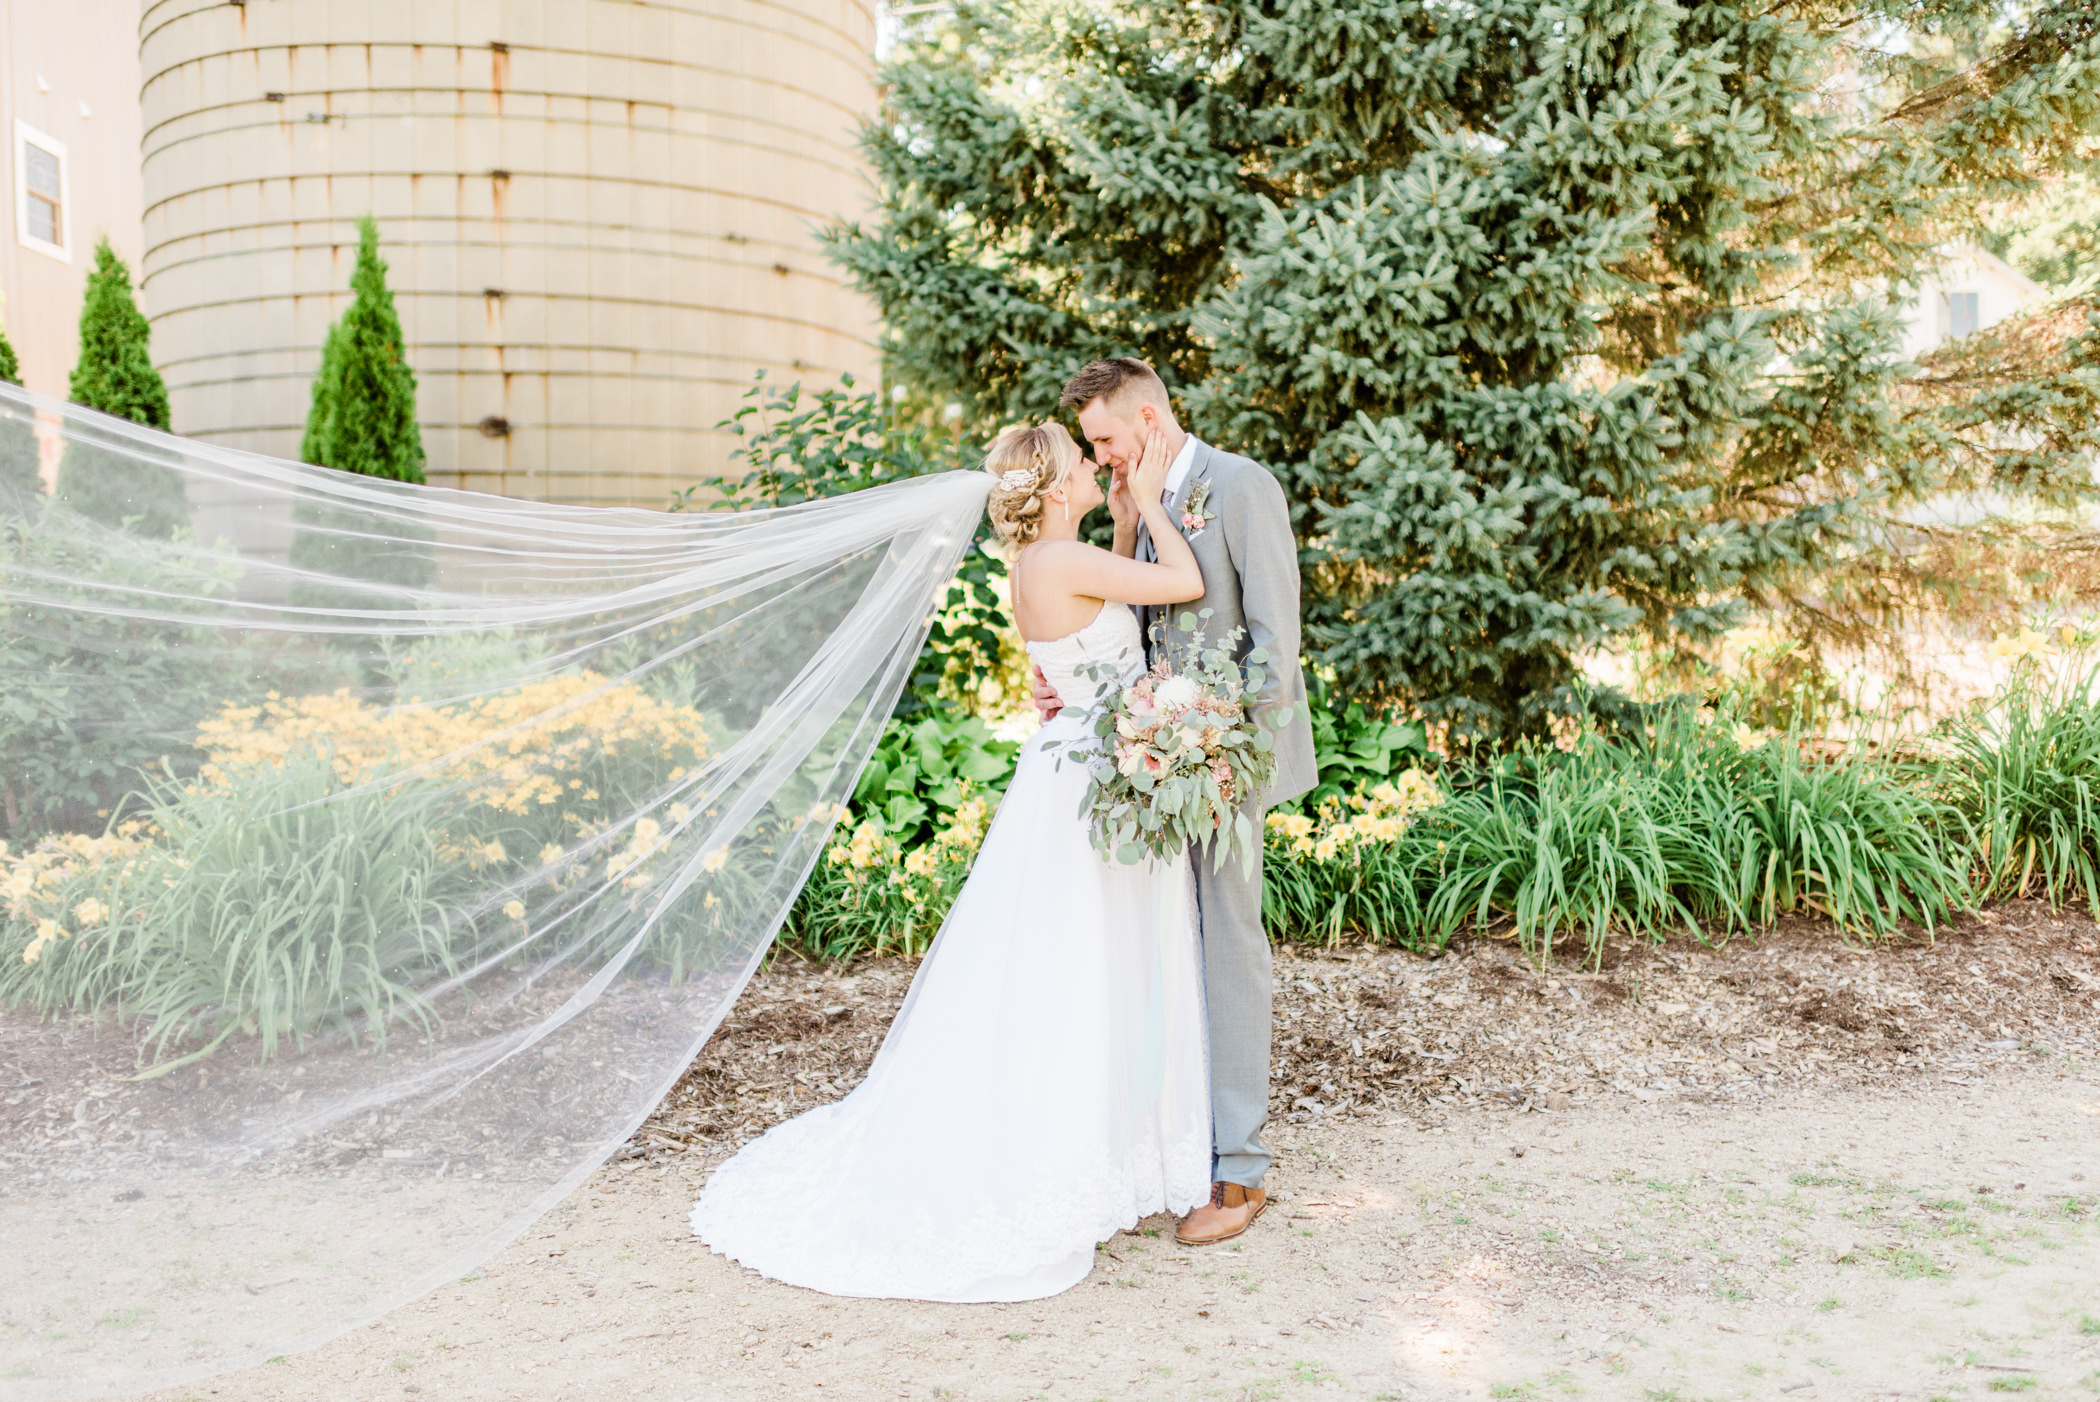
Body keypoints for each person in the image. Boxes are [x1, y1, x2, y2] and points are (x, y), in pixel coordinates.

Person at [691, 420, 1214, 1301]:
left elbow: (1106, 615)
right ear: (1053, 490)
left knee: (1080, 965)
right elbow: (1185, 583)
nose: (1096, 468)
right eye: (1083, 463)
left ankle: (1104, 1143)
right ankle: (1083, 1147)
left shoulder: (1047, 562)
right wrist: (1157, 502)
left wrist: (1124, 517)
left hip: (1079, 776)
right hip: (1093, 786)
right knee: (1089, 965)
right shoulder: (1059, 564)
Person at [1039, 357, 1317, 1247]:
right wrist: (1073, 689)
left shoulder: (1239, 486)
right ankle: (1170, 1144)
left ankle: (1239, 1171)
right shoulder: (1135, 502)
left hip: (1224, 761)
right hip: (1151, 762)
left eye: (1108, 439)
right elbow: (1123, 624)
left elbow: (1276, 638)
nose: (1104, 455)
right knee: (1164, 947)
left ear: (1151, 419)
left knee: (1229, 946)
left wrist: (1242, 761)